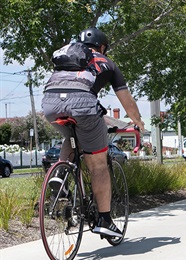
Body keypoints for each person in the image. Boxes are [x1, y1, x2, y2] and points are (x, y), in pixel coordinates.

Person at [42, 27, 145, 237]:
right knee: (98, 166)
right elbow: (127, 102)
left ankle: (60, 174)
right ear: (103, 47)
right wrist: (138, 122)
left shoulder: (66, 54)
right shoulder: (107, 63)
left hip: (50, 105)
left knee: (71, 136)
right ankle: (105, 220)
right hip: (83, 106)